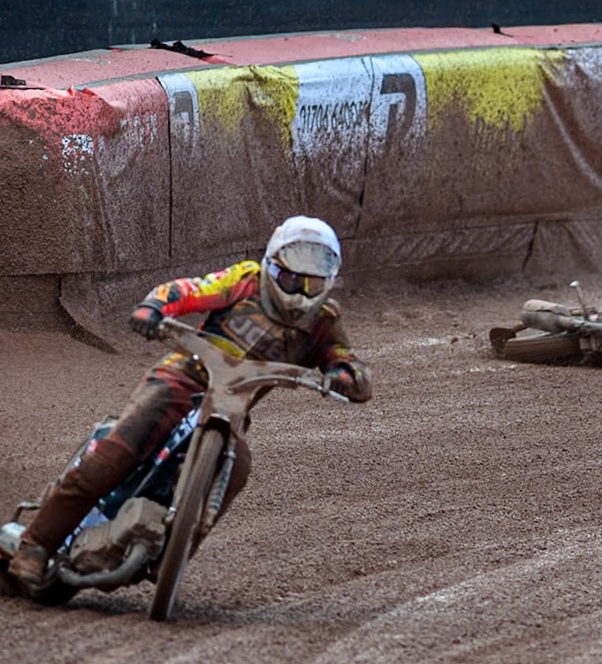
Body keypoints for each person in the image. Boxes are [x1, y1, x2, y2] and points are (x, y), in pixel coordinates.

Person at [7, 215, 374, 594]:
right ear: (272, 266)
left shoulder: (323, 321)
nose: (301, 292)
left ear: (329, 281)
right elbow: (189, 290)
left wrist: (344, 376)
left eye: (313, 283)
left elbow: (352, 365)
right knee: (117, 454)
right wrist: (155, 307)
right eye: (293, 280)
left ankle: (175, 553)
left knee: (238, 466)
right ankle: (36, 545)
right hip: (181, 380)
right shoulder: (246, 281)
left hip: (232, 407)